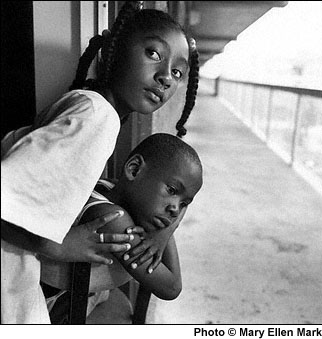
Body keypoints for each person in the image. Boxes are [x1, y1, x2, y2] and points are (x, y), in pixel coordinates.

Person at [1, 1, 199, 324]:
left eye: (177, 73)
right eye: (154, 54)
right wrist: (60, 246)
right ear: (114, 52)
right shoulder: (98, 117)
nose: (165, 78)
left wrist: (164, 231)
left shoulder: (91, 108)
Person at [40, 133, 203, 322]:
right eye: (172, 191)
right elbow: (171, 287)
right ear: (134, 170)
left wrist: (165, 232)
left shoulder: (108, 186)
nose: (175, 209)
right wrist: (166, 232)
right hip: (56, 310)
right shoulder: (112, 219)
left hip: (89, 293)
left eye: (184, 203)